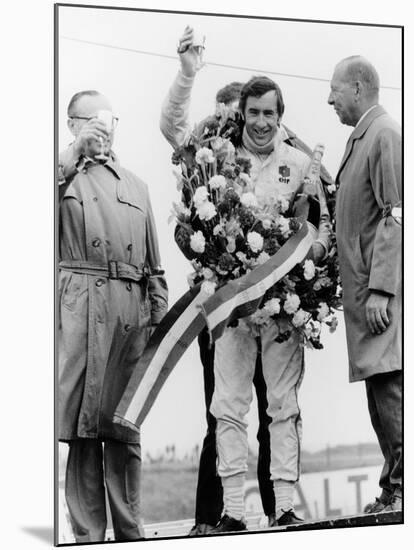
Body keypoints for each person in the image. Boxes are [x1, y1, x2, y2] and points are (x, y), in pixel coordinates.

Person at [161, 27, 332, 532]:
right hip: (232, 311)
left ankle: (283, 505)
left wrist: (315, 253)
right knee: (228, 406)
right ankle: (233, 510)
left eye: (270, 114)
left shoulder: (301, 162)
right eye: (254, 112)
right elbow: (172, 126)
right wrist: (187, 74)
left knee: (283, 406)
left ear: (281, 117)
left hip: (283, 309)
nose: (261, 122)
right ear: (242, 113)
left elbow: (323, 223)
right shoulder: (218, 155)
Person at [58, 90, 168, 542]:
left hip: (130, 315)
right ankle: (86, 533)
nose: (104, 129)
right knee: (85, 426)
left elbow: (155, 266)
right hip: (81, 311)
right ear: (74, 124)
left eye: (109, 120)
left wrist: (158, 318)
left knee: (125, 424)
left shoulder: (137, 186)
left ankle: (130, 529)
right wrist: (73, 152)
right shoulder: (63, 177)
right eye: (94, 121)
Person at [328, 56, 402, 513]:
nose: (329, 98)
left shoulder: (384, 134)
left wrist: (382, 288)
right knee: (380, 389)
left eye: (334, 89)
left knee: (391, 385)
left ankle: (402, 489)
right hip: (366, 294)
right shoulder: (365, 137)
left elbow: (396, 215)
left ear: (357, 88)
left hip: (380, 297)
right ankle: (394, 485)